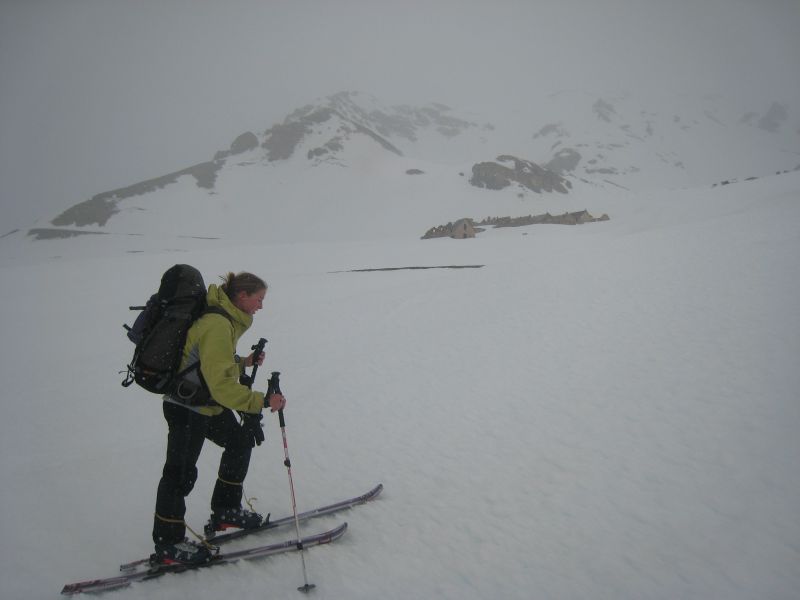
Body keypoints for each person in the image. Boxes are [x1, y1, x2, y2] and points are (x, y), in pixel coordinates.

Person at [151, 271, 286, 566]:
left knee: (239, 441)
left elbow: (212, 365)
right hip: (187, 407)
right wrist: (262, 400)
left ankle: (226, 510)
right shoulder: (217, 324)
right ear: (241, 296)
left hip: (204, 403)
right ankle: (168, 544)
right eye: (259, 299)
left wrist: (244, 362)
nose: (261, 306)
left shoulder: (224, 320)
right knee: (179, 473)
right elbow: (222, 386)